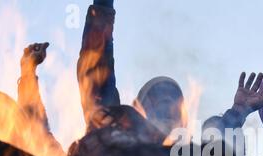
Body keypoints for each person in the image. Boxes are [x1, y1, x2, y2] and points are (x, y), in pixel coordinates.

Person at [78, 0, 185, 142]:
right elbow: (96, 68)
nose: (166, 109)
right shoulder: (115, 130)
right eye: (158, 103)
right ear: (140, 112)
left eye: (173, 108)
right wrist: (103, 5)